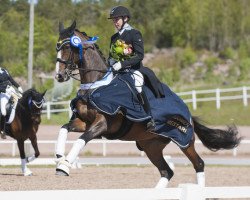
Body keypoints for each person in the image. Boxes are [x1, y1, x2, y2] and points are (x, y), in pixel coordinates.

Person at [107, 5, 156, 131]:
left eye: (117, 19)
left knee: (138, 86)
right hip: (118, 72)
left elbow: (140, 55)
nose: (115, 22)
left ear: (125, 19)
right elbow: (111, 56)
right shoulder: (113, 38)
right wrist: (111, 62)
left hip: (134, 70)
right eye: (113, 20)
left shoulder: (134, 33)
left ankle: (149, 118)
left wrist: (122, 64)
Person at [0, 67, 23, 139]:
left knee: (21, 102)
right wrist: (4, 90)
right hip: (3, 94)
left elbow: (11, 79)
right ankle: (2, 130)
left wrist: (18, 86)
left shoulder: (4, 70)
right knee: (3, 112)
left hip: (11, 89)